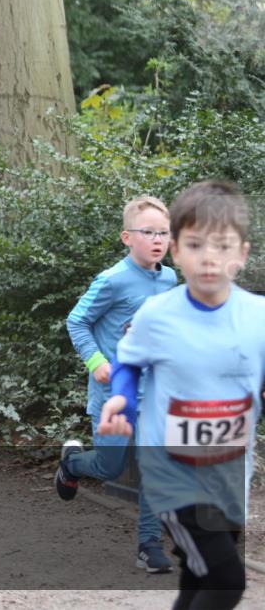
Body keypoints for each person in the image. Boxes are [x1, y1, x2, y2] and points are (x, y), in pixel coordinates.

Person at [98, 180, 263, 610]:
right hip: (174, 474)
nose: (209, 257)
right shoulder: (158, 314)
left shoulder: (258, 317)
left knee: (197, 575)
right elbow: (129, 362)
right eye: (194, 245)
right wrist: (119, 396)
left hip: (229, 474)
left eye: (222, 246)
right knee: (227, 581)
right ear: (176, 251)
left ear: (242, 254)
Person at [55, 195, 177, 573]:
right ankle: (72, 464)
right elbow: (76, 321)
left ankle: (149, 546)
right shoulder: (111, 280)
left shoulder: (171, 278)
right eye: (148, 232)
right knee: (109, 467)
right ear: (127, 237)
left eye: (164, 233)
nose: (157, 239)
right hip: (115, 395)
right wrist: (97, 363)